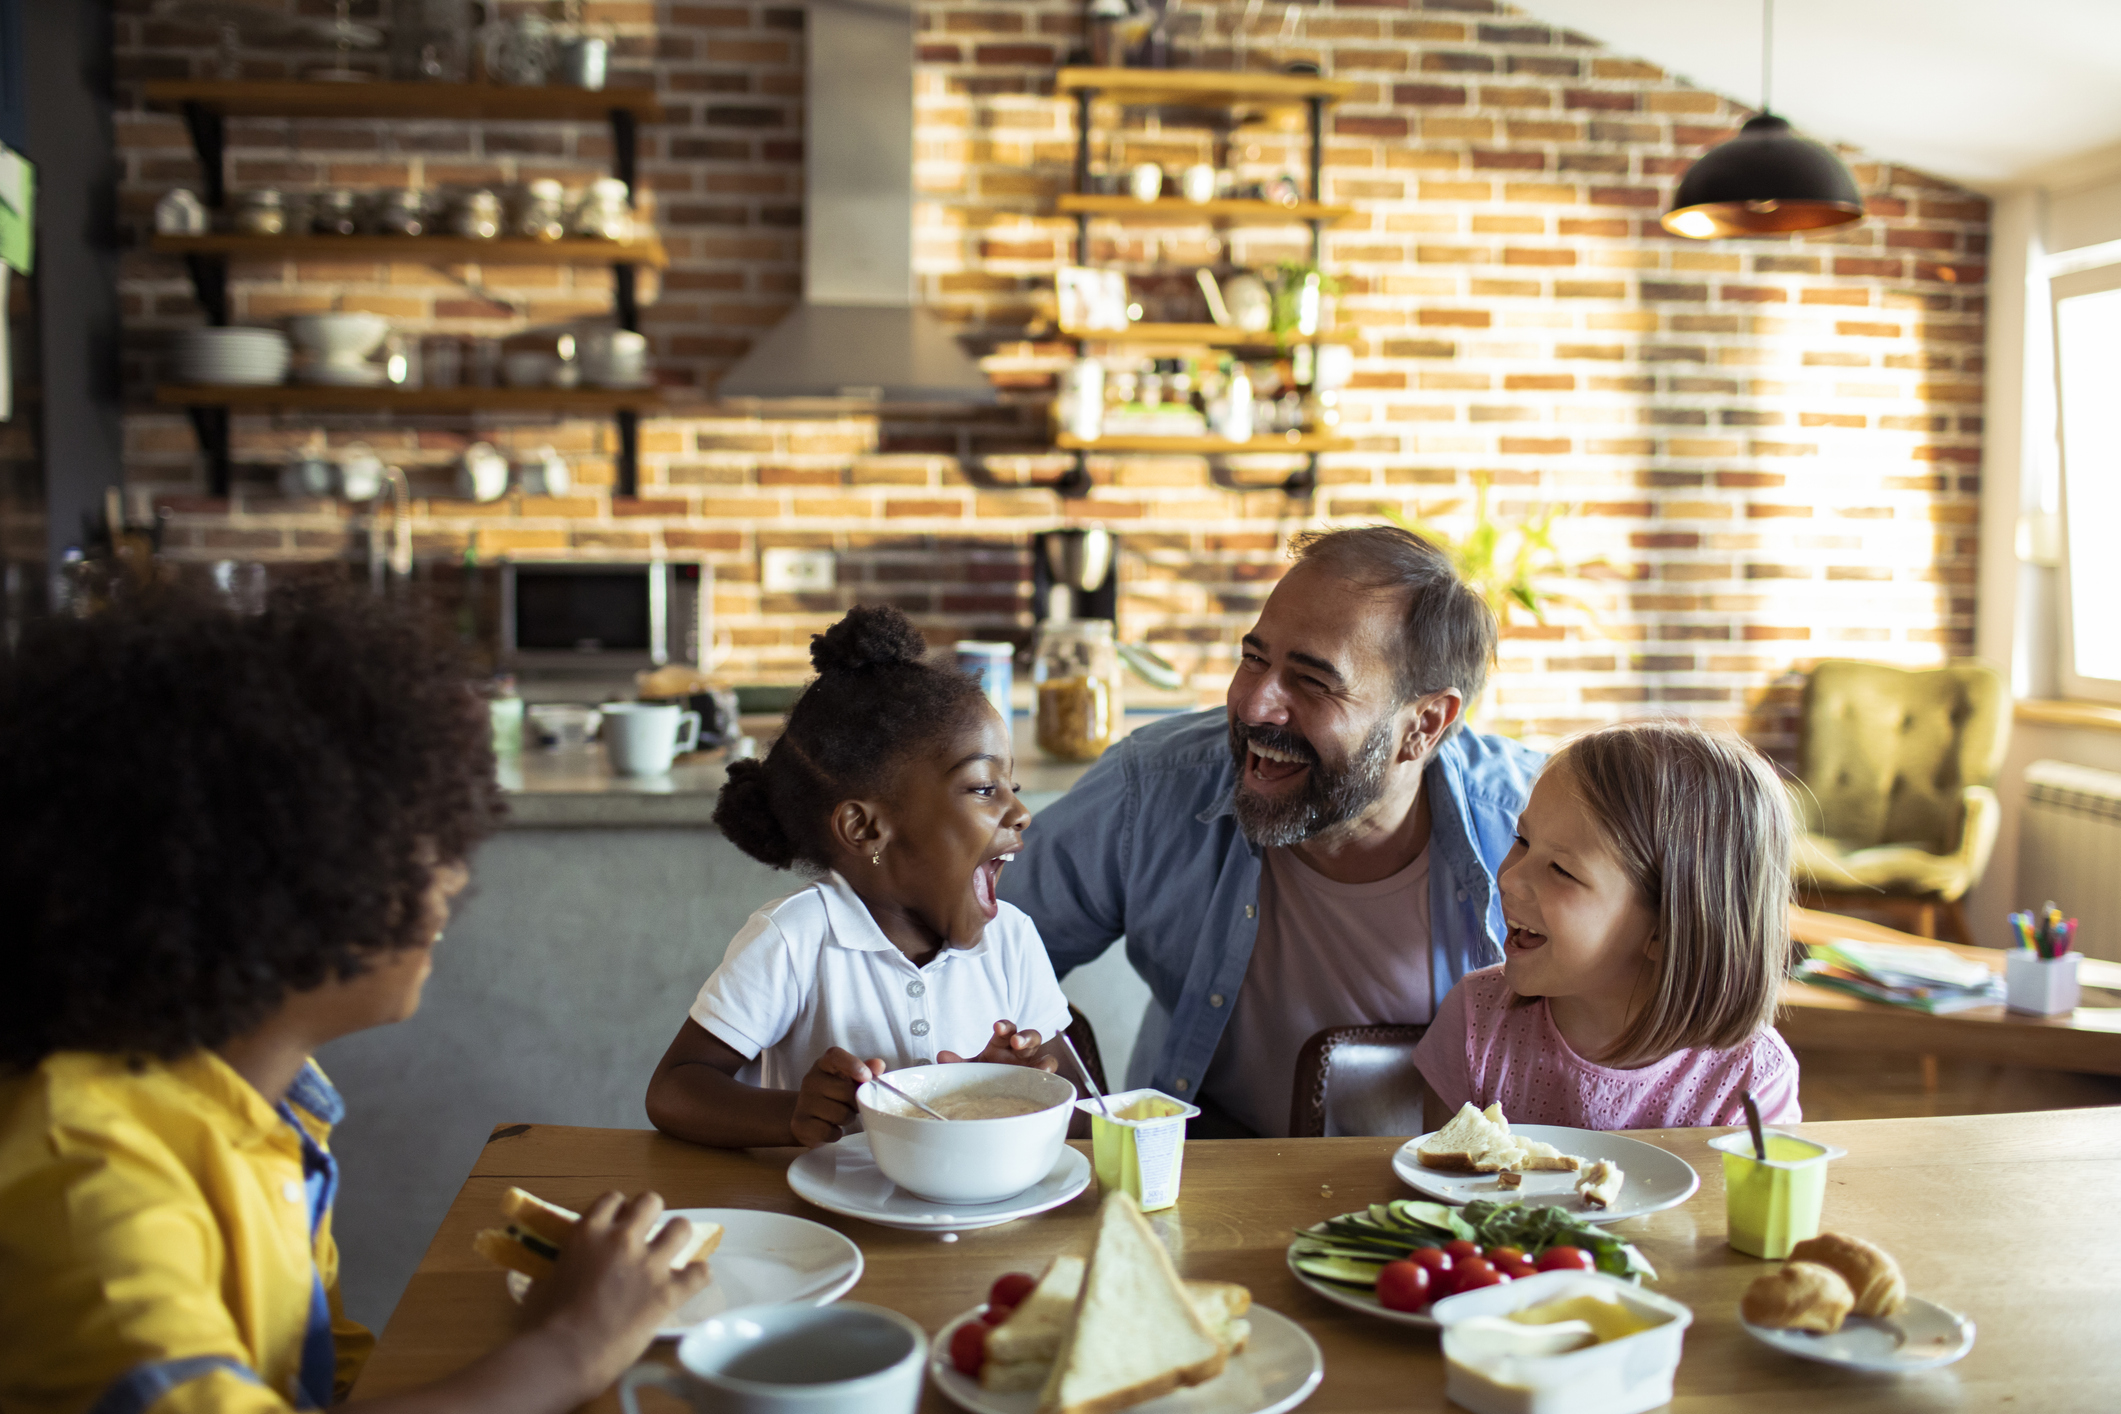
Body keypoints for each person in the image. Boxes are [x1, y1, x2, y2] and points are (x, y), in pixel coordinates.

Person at [0, 584, 708, 1414]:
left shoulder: (270, 1109)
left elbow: (320, 1378)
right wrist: (565, 1348)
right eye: (418, 842)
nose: (451, 882)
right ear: (278, 875)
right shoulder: (84, 1172)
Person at [1000, 525, 1544, 1138]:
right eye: (1254, 658)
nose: (1256, 705)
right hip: (1205, 1177)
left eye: (1313, 682)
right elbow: (978, 941)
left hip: (1446, 1200)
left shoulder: (1536, 827)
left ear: (1425, 724)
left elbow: (1646, 1022)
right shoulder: (1153, 788)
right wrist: (1039, 1068)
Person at [645, 605, 1075, 1150]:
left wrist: (1012, 1086)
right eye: (984, 788)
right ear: (865, 828)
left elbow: (1080, 1102)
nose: (1019, 812)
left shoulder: (1011, 940)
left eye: (1011, 786)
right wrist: (794, 1114)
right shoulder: (796, 939)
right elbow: (675, 1089)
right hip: (825, 1220)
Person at [1411, 720, 1802, 1130]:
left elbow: (1761, 1194)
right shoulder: (1474, 1024)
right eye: (1522, 840)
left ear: (1664, 930)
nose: (1508, 878)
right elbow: (1440, 1183)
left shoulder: (1751, 1079)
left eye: (1561, 870)